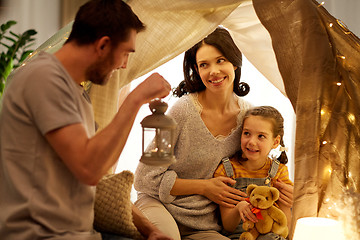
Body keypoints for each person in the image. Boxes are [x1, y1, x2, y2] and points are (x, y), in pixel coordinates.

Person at [0, 0, 173, 239]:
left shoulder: (77, 93)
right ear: (103, 45)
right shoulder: (43, 78)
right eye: (125, 53)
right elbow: (88, 169)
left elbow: (99, 173)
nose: (124, 65)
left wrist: (150, 230)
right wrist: (135, 99)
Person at [134, 27, 253, 240]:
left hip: (204, 225)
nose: (213, 71)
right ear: (197, 70)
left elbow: (255, 165)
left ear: (235, 62)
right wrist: (205, 187)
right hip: (159, 205)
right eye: (204, 65)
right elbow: (143, 179)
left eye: (221, 60)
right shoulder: (181, 111)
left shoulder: (248, 118)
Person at [213, 106, 293, 240]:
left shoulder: (279, 171)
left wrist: (288, 203)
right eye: (247, 133)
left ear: (275, 142)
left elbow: (285, 225)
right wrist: (239, 208)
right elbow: (228, 226)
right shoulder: (227, 170)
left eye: (261, 136)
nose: (251, 141)